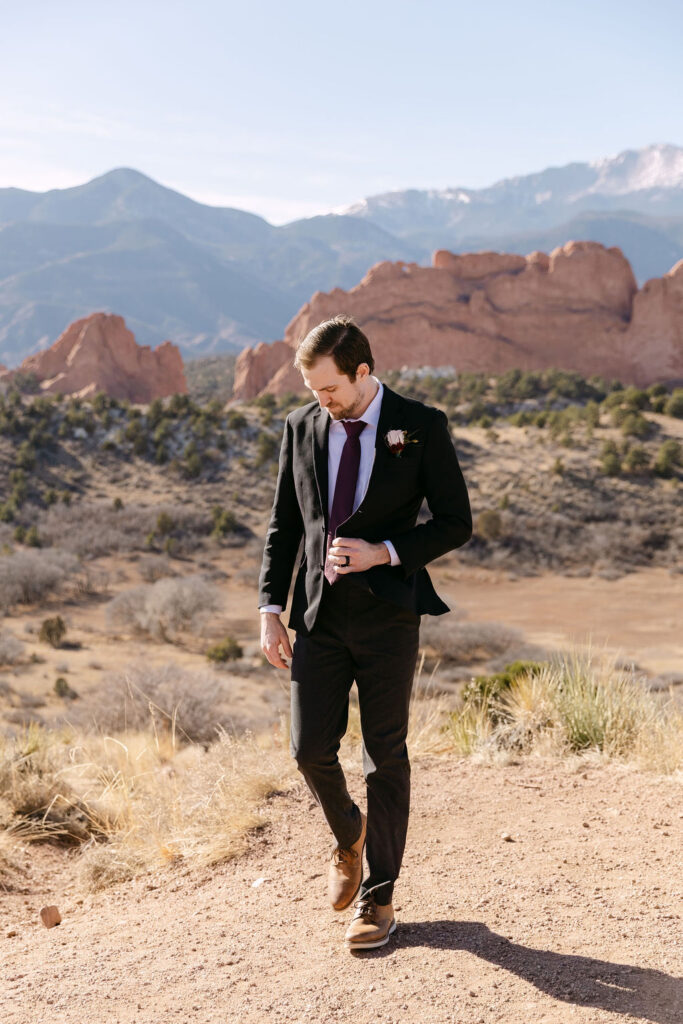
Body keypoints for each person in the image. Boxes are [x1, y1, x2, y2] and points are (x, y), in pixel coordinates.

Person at [258, 314, 472, 950]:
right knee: (307, 749)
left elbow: (455, 522)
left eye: (329, 389)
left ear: (362, 372)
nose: (320, 402)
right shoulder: (301, 427)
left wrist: (385, 551)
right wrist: (271, 609)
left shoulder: (421, 425)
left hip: (388, 618)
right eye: (311, 390)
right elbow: (284, 528)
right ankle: (347, 833)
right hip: (318, 617)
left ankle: (379, 899)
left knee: (385, 755)